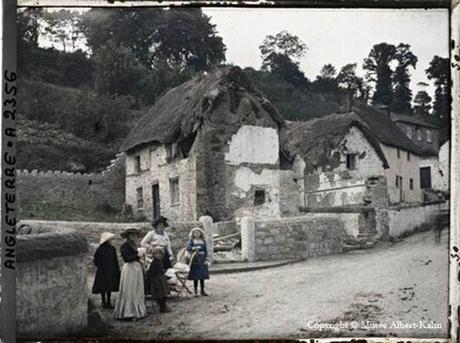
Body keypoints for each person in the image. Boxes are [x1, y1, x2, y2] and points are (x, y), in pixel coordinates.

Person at [113, 228, 147, 321]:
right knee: (130, 289)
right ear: (128, 236)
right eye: (132, 235)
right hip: (129, 268)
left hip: (136, 268)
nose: (134, 236)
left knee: (136, 289)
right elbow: (127, 259)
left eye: (135, 235)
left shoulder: (134, 245)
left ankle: (137, 311)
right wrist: (137, 255)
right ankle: (128, 312)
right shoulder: (125, 246)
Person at [92, 232, 120, 308]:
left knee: (108, 287)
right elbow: (96, 260)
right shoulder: (101, 249)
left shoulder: (111, 249)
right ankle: (104, 301)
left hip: (107, 270)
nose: (111, 241)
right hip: (105, 270)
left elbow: (114, 260)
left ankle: (107, 301)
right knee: (104, 286)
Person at [186, 227, 210, 296]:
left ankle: (202, 290)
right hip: (195, 259)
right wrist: (194, 248)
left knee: (202, 275)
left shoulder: (203, 241)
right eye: (195, 233)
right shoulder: (191, 241)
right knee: (195, 276)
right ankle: (195, 291)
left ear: (201, 233)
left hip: (202, 259)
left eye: (198, 233)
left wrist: (206, 258)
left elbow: (205, 250)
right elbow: (188, 248)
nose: (196, 234)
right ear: (192, 234)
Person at [148, 247, 171, 313]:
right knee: (159, 294)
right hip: (157, 280)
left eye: (159, 254)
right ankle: (162, 307)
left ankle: (163, 306)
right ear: (153, 255)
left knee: (164, 294)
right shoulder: (154, 263)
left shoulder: (159, 261)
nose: (158, 255)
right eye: (156, 254)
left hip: (161, 279)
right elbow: (152, 271)